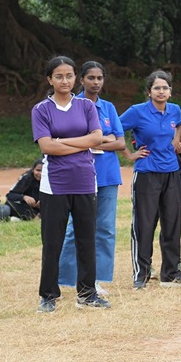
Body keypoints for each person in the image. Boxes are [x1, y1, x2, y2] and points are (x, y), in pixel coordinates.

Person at [31, 56, 107, 313]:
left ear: (76, 78)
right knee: (53, 242)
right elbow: (46, 146)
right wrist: (80, 142)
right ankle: (48, 295)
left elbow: (97, 139)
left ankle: (87, 293)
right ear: (49, 80)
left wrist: (61, 141)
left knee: (87, 241)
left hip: (85, 181)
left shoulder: (86, 106)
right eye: (59, 76)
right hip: (55, 185)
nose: (65, 81)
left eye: (69, 76)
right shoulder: (41, 109)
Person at [57, 61, 124, 297]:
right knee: (75, 228)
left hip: (108, 175)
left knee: (105, 228)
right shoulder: (72, 106)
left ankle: (96, 279)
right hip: (79, 175)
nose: (96, 82)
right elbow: (66, 140)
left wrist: (94, 141)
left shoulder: (108, 107)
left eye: (99, 78)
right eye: (91, 78)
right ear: (81, 80)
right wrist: (103, 139)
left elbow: (121, 142)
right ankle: (64, 279)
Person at [119, 70, 181, 289]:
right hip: (147, 173)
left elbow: (179, 124)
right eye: (157, 88)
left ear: (170, 91)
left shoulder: (174, 110)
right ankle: (141, 275)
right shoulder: (137, 111)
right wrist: (129, 154)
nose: (161, 91)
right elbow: (114, 129)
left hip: (172, 172)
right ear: (149, 91)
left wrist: (176, 140)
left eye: (165, 88)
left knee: (172, 223)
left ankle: (171, 273)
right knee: (145, 224)